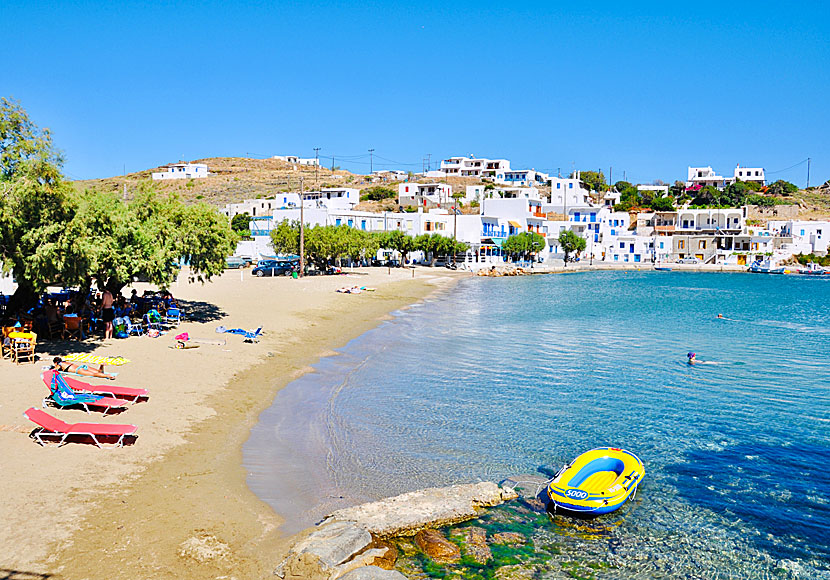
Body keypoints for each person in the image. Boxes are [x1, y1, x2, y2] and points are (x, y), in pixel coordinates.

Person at [51, 356, 116, 380]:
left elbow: (55, 370)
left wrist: (52, 368)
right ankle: (101, 365)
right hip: (83, 366)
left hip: (78, 370)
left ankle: (108, 376)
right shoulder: (65, 362)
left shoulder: (59, 364)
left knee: (93, 375)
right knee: (98, 372)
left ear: (55, 362)